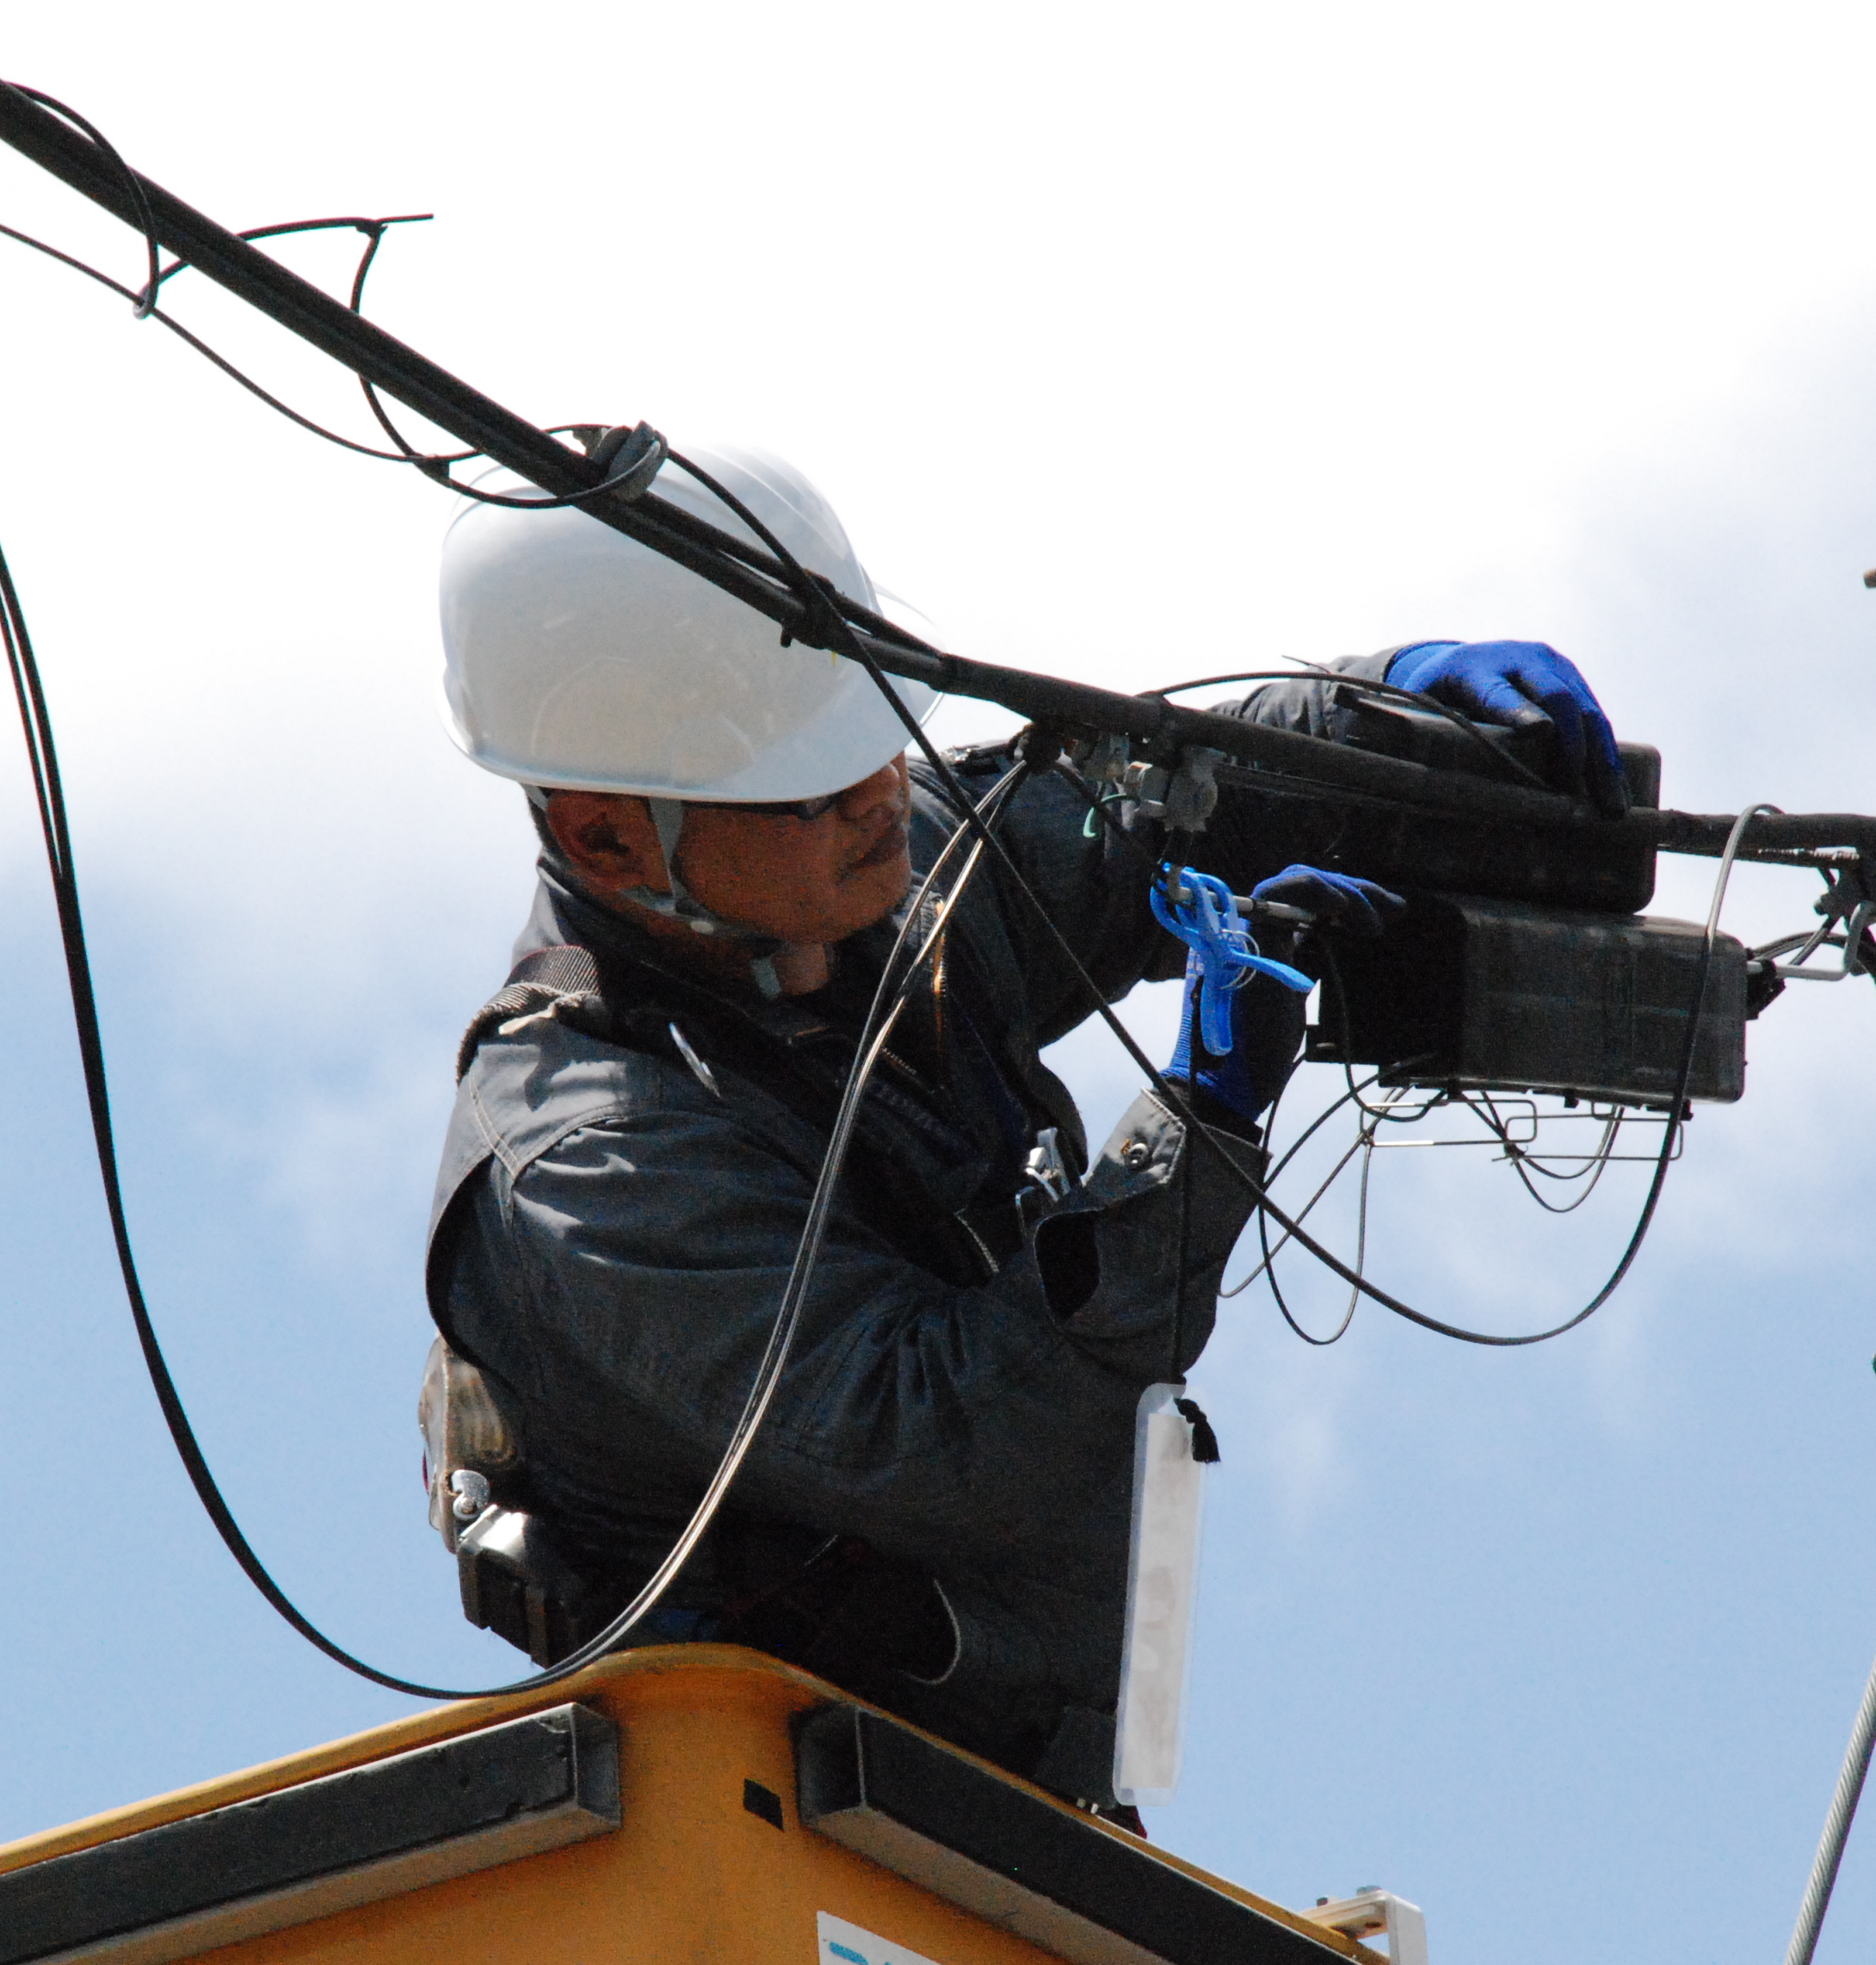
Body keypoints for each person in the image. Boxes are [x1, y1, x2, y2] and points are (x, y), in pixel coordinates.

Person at [419, 445, 1616, 1804]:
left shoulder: (871, 868)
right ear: (609, 844)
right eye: (807, 786)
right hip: (768, 1821)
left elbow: (1139, 817)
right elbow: (967, 1445)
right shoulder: (592, 1166)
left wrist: (1378, 709)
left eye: (872, 729)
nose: (879, 797)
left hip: (1012, 1796)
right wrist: (1193, 1131)